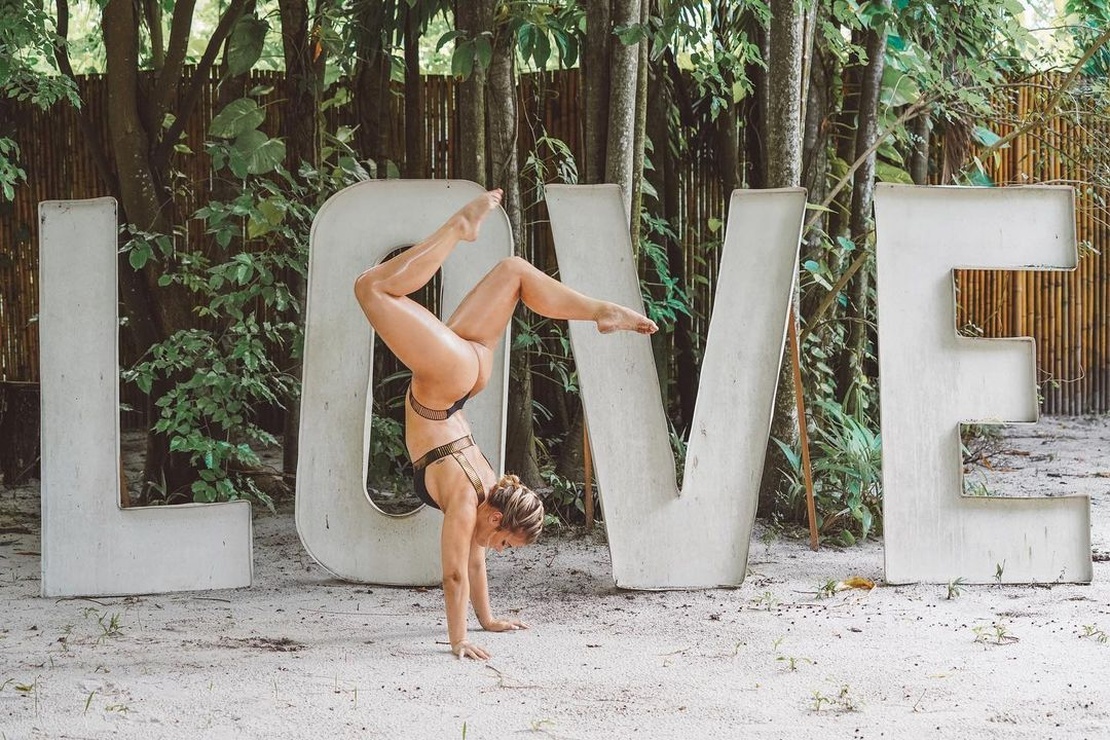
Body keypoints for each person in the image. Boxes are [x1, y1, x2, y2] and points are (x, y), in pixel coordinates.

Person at [353, 188, 657, 660]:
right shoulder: (466, 501)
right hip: (447, 380)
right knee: (370, 289)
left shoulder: (489, 490)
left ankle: (599, 311)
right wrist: (460, 640)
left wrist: (488, 621)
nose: (497, 550)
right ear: (496, 517)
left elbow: (473, 562)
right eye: (505, 544)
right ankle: (457, 228)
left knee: (513, 272)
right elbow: (454, 573)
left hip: (470, 372)